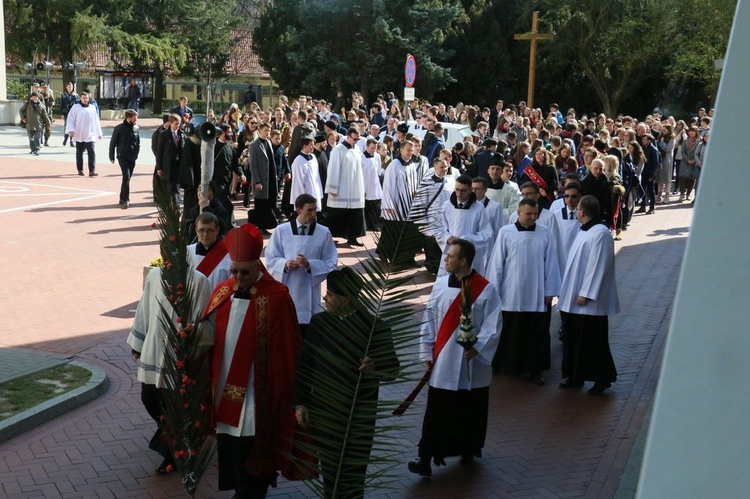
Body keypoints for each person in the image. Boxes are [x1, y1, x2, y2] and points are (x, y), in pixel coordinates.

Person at [201, 223, 301, 498]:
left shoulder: (278, 297)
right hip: (224, 388)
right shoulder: (223, 291)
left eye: (244, 272)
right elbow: (207, 329)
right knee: (230, 446)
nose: (238, 277)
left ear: (259, 267)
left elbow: (288, 350)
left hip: (257, 392)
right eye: (233, 271)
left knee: (253, 446)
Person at [294, 267, 399, 497]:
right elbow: (305, 366)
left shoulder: (375, 328)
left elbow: (393, 369)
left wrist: (375, 367)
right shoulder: (319, 323)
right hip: (325, 414)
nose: (324, 298)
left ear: (346, 299)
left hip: (358, 417)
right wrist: (300, 403)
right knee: (331, 474)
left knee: (354, 475)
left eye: (329, 294)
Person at [408, 239, 501, 477]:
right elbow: (429, 320)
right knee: (437, 410)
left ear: (464, 261)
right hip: (444, 361)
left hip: (472, 363)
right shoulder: (440, 286)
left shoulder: (486, 289)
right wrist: (427, 351)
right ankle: (425, 457)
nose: (445, 259)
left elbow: (494, 324)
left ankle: (468, 448)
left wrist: (478, 346)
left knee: (469, 409)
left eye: (450, 256)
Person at [127, 265, 212, 475]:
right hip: (155, 348)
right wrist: (138, 344)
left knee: (175, 404)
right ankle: (172, 440)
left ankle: (172, 453)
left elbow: (205, 319)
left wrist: (192, 341)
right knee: (149, 397)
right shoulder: (155, 275)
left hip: (181, 354)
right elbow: (144, 307)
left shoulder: (199, 280)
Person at [487, 198, 561, 386]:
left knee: (535, 333)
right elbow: (497, 264)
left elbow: (551, 263)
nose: (532, 217)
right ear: (518, 213)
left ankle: (535, 369)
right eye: (528, 213)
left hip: (537, 293)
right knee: (509, 330)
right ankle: (503, 363)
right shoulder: (506, 232)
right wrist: (494, 290)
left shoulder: (544, 233)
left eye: (535, 214)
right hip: (511, 292)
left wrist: (550, 291)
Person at [557, 195, 619, 395]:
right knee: (574, 338)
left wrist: (586, 293)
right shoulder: (585, 230)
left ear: (582, 211)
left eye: (578, 209)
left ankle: (602, 379)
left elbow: (598, 266)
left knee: (593, 341)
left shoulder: (600, 233)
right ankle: (575, 376)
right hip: (574, 299)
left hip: (589, 302)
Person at [266, 194, 338, 338]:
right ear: (298, 210)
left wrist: (310, 265)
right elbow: (271, 258)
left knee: (307, 334)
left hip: (310, 290)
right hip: (289, 288)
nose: (313, 214)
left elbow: (331, 261)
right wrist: (285, 264)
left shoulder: (323, 232)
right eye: (309, 210)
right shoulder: (282, 231)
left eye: (315, 210)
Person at [429, 175, 493, 275]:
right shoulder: (446, 206)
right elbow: (439, 227)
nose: (459, 194)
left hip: (471, 253)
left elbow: (486, 233)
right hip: (451, 250)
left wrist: (465, 239)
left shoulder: (479, 208)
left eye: (463, 190)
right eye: (457, 189)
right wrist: (448, 237)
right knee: (449, 283)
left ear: (470, 190)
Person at [324, 127, 367, 246]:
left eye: (358, 139)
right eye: (354, 139)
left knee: (355, 213)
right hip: (342, 188)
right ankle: (328, 237)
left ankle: (353, 237)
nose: (356, 141)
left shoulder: (357, 149)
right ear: (348, 137)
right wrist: (332, 187)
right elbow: (333, 169)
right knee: (337, 214)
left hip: (355, 188)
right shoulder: (338, 150)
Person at [187, 211, 232, 289]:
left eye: (210, 230)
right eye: (201, 230)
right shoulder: (188, 252)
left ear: (217, 230)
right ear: (196, 230)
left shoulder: (228, 254)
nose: (205, 234)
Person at [248, 122, 279, 234]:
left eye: (269, 130)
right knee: (260, 204)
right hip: (261, 180)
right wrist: (257, 181)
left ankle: (261, 223)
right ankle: (260, 226)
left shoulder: (269, 143)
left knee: (268, 202)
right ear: (260, 130)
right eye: (266, 130)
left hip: (269, 178)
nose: (268, 132)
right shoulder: (254, 145)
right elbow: (253, 165)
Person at [65, 92, 103, 176]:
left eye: (87, 98)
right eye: (83, 98)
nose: (85, 100)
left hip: (90, 134)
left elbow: (96, 121)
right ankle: (80, 170)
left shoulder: (92, 108)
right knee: (79, 152)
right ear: (80, 99)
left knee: (91, 151)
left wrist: (98, 132)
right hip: (79, 134)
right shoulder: (76, 107)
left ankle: (92, 171)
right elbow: (70, 119)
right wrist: (71, 130)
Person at [109, 109, 141, 208]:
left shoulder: (136, 128)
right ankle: (126, 199)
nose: (136, 119)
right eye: (134, 117)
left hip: (132, 157)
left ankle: (122, 197)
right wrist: (112, 156)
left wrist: (136, 154)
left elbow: (138, 143)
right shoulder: (119, 128)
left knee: (127, 178)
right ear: (128, 118)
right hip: (122, 156)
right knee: (126, 176)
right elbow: (113, 143)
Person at [155, 114, 184, 206]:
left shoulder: (181, 134)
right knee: (172, 186)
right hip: (168, 165)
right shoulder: (163, 135)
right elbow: (159, 152)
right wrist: (159, 167)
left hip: (179, 165)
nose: (178, 126)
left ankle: (176, 204)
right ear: (170, 123)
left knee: (176, 186)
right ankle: (174, 204)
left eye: (179, 124)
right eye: (176, 124)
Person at [289, 138, 324, 213]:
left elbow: (317, 177)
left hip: (315, 191)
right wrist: (302, 199)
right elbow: (298, 182)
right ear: (304, 146)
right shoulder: (298, 161)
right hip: (305, 193)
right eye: (311, 145)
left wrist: (319, 192)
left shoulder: (313, 158)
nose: (313, 147)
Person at [19, 92, 51, 156]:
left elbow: (45, 116)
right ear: (31, 97)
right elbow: (21, 111)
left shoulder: (42, 106)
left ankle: (37, 149)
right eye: (34, 97)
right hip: (29, 123)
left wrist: (48, 124)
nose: (35, 98)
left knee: (37, 137)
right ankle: (33, 149)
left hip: (38, 124)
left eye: (36, 97)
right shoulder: (27, 104)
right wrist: (23, 119)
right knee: (31, 138)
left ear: (38, 98)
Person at [60, 82, 78, 147]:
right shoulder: (63, 95)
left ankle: (71, 141)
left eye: (71, 87)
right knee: (67, 126)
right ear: (66, 87)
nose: (70, 88)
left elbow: (77, 103)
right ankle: (65, 138)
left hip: (73, 112)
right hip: (66, 112)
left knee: (73, 126)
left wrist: (74, 97)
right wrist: (62, 113)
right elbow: (61, 104)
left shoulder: (75, 95)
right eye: (69, 86)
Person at [38, 83, 55, 147]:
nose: (45, 89)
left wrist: (49, 97)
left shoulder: (50, 95)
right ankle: (39, 140)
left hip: (48, 113)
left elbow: (52, 104)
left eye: (46, 88)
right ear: (41, 88)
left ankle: (46, 140)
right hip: (41, 114)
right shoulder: (39, 95)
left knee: (48, 128)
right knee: (40, 128)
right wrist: (45, 98)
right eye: (43, 88)